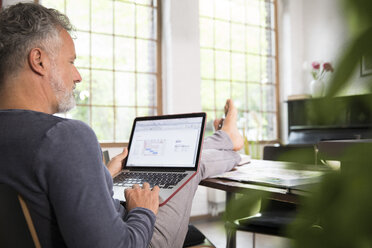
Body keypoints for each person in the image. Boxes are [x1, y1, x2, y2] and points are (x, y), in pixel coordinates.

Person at [0, 3, 244, 248]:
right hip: (138, 240)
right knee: (192, 165)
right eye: (71, 61)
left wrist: (101, 175)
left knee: (188, 160)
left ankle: (225, 138)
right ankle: (227, 139)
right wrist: (143, 211)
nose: (77, 76)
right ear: (39, 60)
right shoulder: (63, 137)